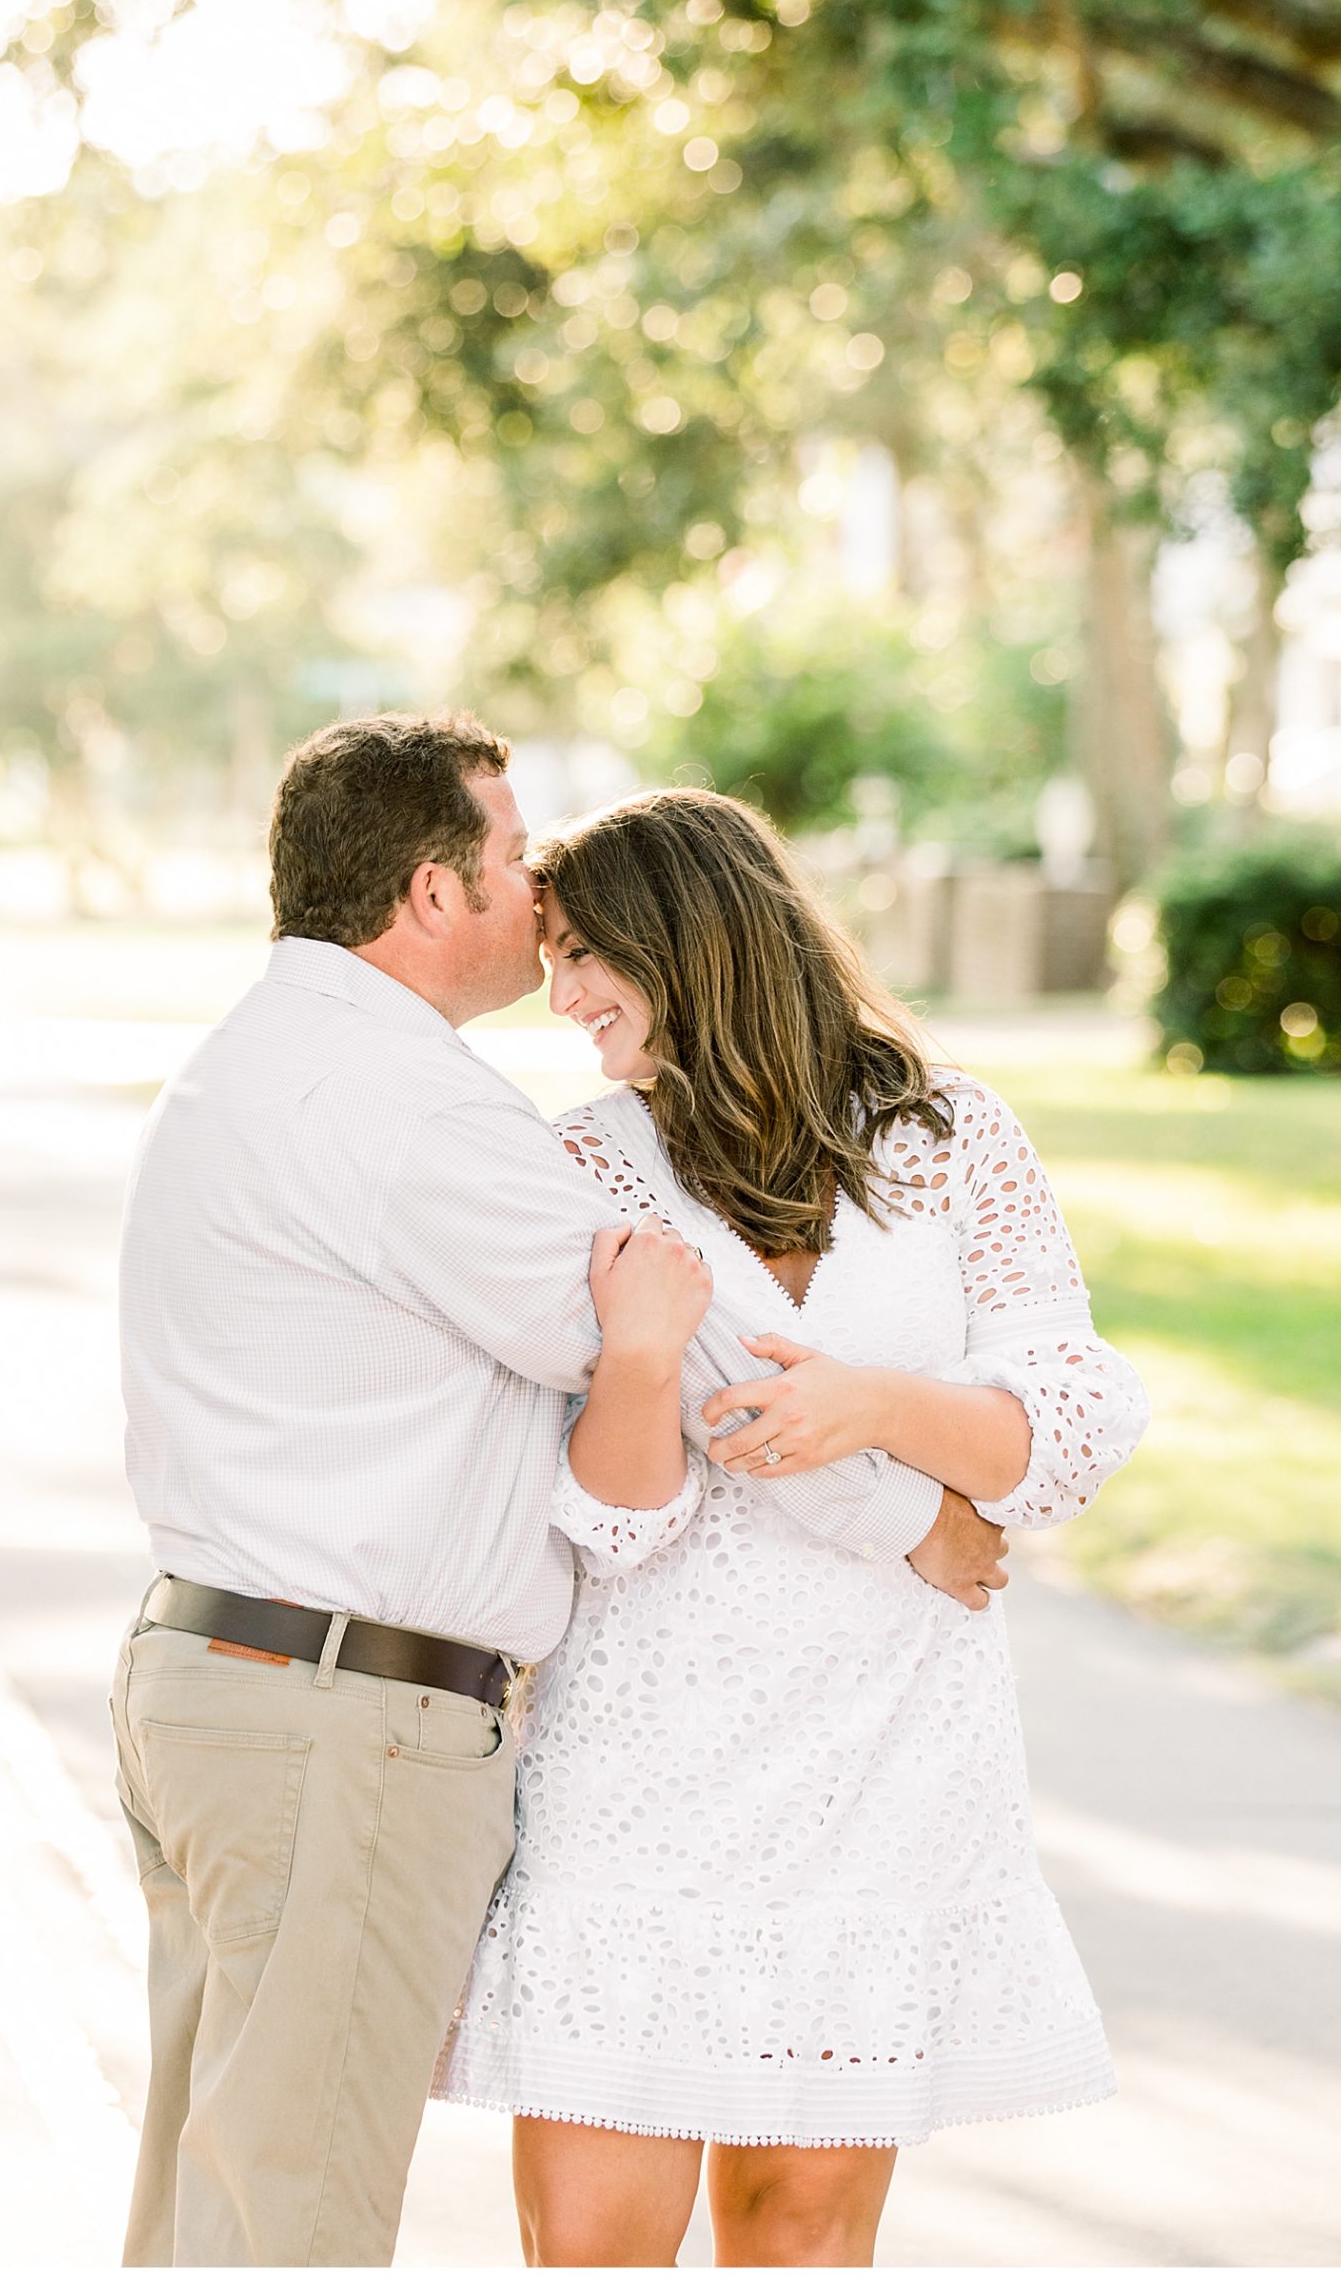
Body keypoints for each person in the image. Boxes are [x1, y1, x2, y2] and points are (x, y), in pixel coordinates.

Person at [107, 716, 1002, 2268]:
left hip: (225, 1680)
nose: (535, 897)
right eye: (514, 859)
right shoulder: (406, 1109)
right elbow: (715, 1373)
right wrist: (917, 1514)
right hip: (340, 1717)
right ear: (431, 893)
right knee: (290, 2222)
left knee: (223, 2207)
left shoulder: (256, 1059)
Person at [432, 787, 1149, 2268]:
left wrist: (878, 1404)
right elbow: (612, 1526)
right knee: (591, 2244)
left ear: (693, 938)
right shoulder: (579, 1169)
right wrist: (898, 1500)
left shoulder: (949, 1138)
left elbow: (1068, 1426)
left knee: (803, 2234)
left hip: (887, 1759)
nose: (558, 996)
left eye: (584, 955)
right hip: (640, 1774)